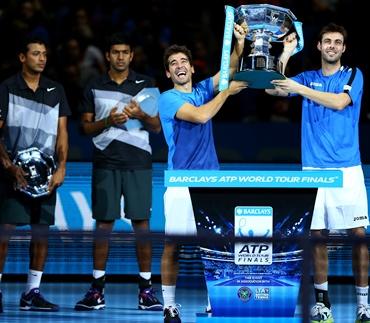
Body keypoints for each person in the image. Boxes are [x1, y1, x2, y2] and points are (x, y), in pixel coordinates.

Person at [266, 23, 370, 323]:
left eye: (338, 42)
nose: (332, 46)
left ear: (343, 48)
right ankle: (323, 303)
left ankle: (363, 305)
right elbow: (275, 88)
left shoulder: (352, 74)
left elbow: (339, 102)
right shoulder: (308, 77)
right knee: (317, 236)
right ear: (319, 46)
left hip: (347, 168)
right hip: (313, 170)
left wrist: (298, 88)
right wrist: (285, 53)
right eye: (327, 41)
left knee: (359, 236)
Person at [158, 22, 248, 323]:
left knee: (216, 247)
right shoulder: (168, 99)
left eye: (183, 61)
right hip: (181, 181)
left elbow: (229, 71)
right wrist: (227, 93)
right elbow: (201, 115)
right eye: (173, 64)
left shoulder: (200, 89)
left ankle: (216, 303)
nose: (179, 66)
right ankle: (169, 305)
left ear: (191, 69)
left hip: (211, 179)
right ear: (169, 74)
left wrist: (239, 44)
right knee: (173, 246)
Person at [74, 32, 162, 311]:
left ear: (131, 56)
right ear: (108, 56)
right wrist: (108, 120)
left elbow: (157, 127)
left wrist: (140, 115)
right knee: (103, 226)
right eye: (116, 52)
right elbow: (84, 128)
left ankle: (146, 291)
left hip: (138, 164)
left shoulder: (146, 84)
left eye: (126, 52)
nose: (121, 57)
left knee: (142, 226)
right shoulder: (94, 85)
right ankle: (97, 290)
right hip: (106, 163)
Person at [0, 35, 70, 312]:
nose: (41, 58)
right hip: (13, 175)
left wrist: (62, 167)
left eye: (44, 54)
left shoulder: (56, 90)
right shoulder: (6, 88)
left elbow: (63, 133)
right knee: (4, 234)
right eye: (35, 53)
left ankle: (32, 292)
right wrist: (8, 166)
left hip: (46, 177)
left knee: (41, 235)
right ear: (22, 57)